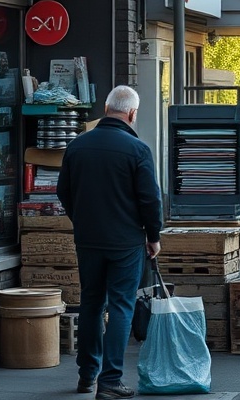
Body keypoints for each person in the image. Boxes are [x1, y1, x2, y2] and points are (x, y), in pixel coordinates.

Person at [57, 85, 163, 398]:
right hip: (126, 241)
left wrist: (82, 221)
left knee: (91, 303)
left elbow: (64, 191)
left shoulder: (77, 146)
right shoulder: (138, 150)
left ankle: (87, 375)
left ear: (106, 109)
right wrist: (153, 236)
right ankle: (111, 380)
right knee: (120, 306)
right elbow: (150, 199)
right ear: (132, 113)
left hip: (88, 239)